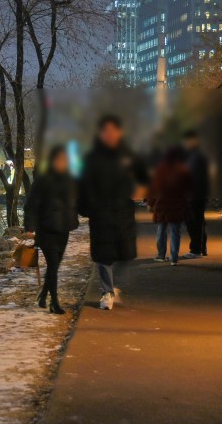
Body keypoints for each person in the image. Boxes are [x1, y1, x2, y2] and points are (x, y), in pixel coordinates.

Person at [79, 115, 149, 310]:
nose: (109, 135)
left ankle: (114, 285)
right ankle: (106, 292)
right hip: (100, 213)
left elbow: (144, 178)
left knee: (125, 256)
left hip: (123, 213)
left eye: (113, 130)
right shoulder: (92, 158)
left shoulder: (129, 156)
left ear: (120, 132)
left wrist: (142, 191)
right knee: (103, 256)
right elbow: (82, 185)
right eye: (105, 131)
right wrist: (86, 208)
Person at [24, 146, 79, 315]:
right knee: (53, 265)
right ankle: (54, 302)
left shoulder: (70, 179)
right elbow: (31, 206)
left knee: (54, 266)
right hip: (46, 229)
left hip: (64, 228)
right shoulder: (43, 180)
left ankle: (43, 295)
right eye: (60, 159)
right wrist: (30, 228)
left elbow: (77, 201)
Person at [150, 146, 192, 266]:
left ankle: (161, 255)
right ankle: (173, 258)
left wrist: (151, 203)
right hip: (177, 205)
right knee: (175, 231)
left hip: (162, 204)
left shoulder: (160, 170)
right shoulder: (182, 170)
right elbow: (189, 187)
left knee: (161, 230)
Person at [183, 129, 209, 258]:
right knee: (198, 222)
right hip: (197, 194)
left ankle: (195, 250)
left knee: (193, 222)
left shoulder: (195, 157)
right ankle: (201, 247)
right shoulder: (196, 156)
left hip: (194, 195)